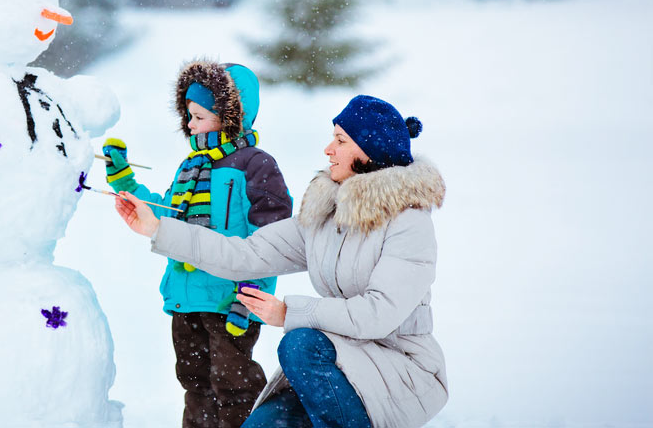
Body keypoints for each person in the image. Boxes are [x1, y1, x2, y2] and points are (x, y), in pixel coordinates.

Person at [113, 95, 449, 428]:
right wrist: (159, 229)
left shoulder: (409, 224)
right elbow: (245, 254)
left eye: (340, 140)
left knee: (300, 343)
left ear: (369, 152)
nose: (328, 149)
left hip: (398, 370)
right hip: (340, 364)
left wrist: (288, 313)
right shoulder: (326, 218)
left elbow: (378, 314)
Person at [102, 60, 293, 428]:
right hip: (187, 299)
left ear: (229, 116)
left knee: (234, 384)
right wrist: (124, 181)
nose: (189, 125)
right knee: (195, 386)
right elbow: (167, 213)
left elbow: (273, 238)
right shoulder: (191, 167)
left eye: (199, 116)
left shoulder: (255, 165)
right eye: (188, 116)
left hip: (229, 301)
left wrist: (251, 296)